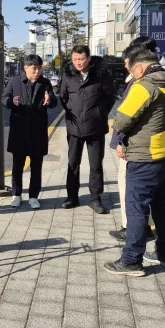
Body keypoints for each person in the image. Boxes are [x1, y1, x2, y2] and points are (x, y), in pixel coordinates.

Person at [104, 46, 165, 276]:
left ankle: (131, 260)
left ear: (139, 67)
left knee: (136, 209)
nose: (131, 75)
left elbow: (121, 120)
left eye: (131, 70)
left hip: (144, 158)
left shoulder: (144, 85)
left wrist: (122, 138)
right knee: (162, 206)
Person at [108, 36, 165, 241]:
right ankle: (164, 251)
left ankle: (133, 247)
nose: (127, 66)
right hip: (164, 148)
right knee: (159, 202)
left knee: (135, 198)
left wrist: (121, 140)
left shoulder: (146, 81)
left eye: (129, 60)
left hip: (141, 148)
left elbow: (125, 117)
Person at [59, 45, 116, 214]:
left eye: (81, 59)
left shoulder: (101, 74)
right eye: (75, 59)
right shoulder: (68, 75)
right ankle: (72, 197)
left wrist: (99, 113)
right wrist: (71, 112)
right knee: (73, 164)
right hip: (74, 127)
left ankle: (95, 198)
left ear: (89, 59)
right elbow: (63, 96)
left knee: (96, 164)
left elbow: (110, 97)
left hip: (96, 127)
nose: (78, 62)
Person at [2, 54, 58, 209]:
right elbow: (4, 99)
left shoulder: (45, 83)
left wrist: (50, 99)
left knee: (36, 166)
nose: (37, 71)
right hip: (19, 131)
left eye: (40, 68)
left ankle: (34, 196)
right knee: (17, 166)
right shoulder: (14, 81)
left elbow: (54, 102)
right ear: (25, 67)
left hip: (38, 131)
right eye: (34, 68)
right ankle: (16, 195)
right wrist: (11, 102)